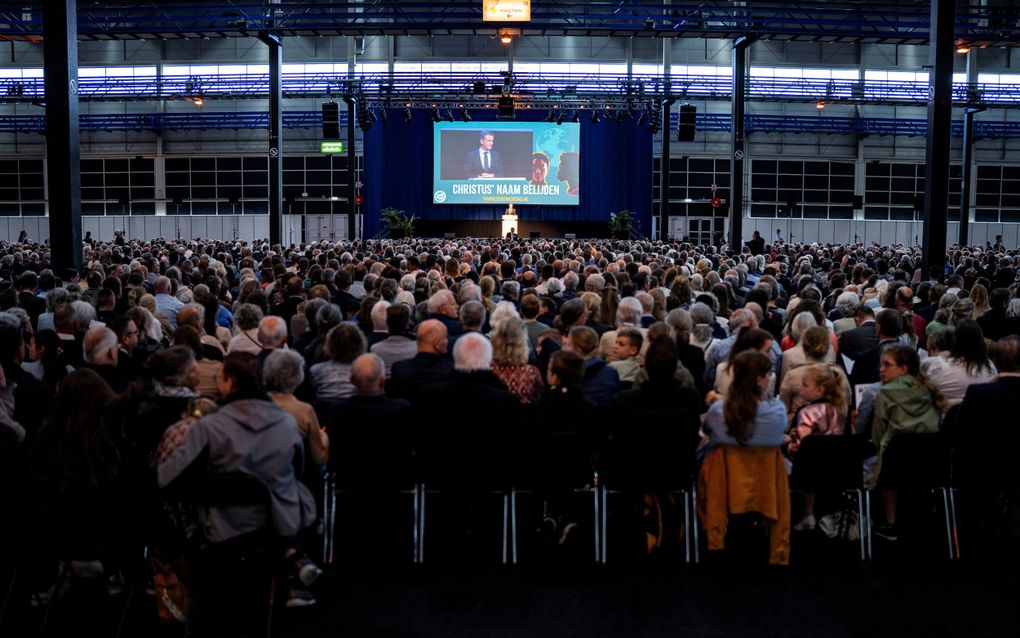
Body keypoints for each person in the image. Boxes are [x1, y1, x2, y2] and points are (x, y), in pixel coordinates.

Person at [156, 352, 322, 607]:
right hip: (276, 527)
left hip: (220, 529)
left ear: (229, 383)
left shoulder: (209, 428)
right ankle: (293, 564)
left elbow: (166, 478)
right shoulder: (286, 424)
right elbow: (299, 471)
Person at [867, 344, 945, 541]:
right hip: (931, 463)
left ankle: (890, 520)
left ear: (903, 368)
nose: (881, 369)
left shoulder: (885, 393)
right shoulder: (932, 391)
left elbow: (877, 435)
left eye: (887, 364)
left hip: (895, 464)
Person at [701, 351, 787, 451]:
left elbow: (706, 430)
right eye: (769, 374)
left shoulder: (718, 409)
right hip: (765, 464)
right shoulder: (778, 410)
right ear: (759, 380)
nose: (770, 377)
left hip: (724, 464)